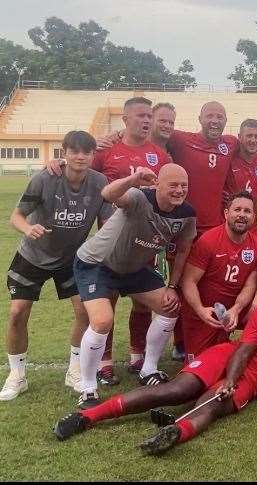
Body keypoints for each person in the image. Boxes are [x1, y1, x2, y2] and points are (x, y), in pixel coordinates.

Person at [52, 276, 257, 456]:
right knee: (176, 391)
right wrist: (231, 380)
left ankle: (174, 433)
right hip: (227, 357)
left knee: (212, 403)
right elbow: (243, 352)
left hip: (253, 381)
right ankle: (87, 417)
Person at [72, 164, 196, 408]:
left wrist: (172, 285)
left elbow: (183, 251)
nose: (179, 190)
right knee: (102, 321)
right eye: (173, 184)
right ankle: (87, 387)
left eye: (184, 185)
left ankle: (148, 370)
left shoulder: (187, 213)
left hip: (134, 269)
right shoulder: (139, 197)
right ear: (158, 183)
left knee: (169, 306)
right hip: (97, 263)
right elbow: (108, 195)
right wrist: (133, 178)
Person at [0, 131, 112, 400]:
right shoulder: (45, 178)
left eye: (86, 152)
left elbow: (106, 223)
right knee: (17, 312)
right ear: (64, 153)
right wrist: (28, 228)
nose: (80, 157)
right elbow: (16, 217)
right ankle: (17, 375)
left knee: (84, 312)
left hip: (71, 259)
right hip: (33, 256)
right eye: (74, 151)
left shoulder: (99, 183)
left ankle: (74, 369)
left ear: (92, 155)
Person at [90, 97, 173, 384]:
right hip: (111, 244)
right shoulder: (106, 151)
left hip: (144, 245)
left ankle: (138, 355)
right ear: (125, 120)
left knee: (142, 303)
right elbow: (80, 170)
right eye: (140, 116)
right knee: (107, 301)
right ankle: (105, 361)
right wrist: (58, 160)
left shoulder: (160, 155)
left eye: (149, 115)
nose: (147, 120)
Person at [180, 192, 257, 360]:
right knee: (199, 365)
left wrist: (236, 309)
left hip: (233, 309)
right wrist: (200, 310)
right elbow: (188, 281)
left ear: (254, 216)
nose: (242, 215)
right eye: (237, 210)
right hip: (206, 312)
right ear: (226, 213)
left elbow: (250, 285)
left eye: (247, 211)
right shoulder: (209, 240)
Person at [167, 101, 238, 237]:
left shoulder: (231, 143)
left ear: (225, 120)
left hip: (216, 226)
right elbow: (153, 132)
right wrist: (120, 133)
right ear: (200, 119)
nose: (215, 121)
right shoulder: (180, 139)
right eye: (209, 116)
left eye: (219, 117)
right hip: (183, 222)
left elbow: (252, 142)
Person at [224, 119, 257, 222]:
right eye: (249, 136)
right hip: (230, 225)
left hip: (252, 227)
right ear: (239, 137)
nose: (253, 140)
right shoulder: (228, 158)